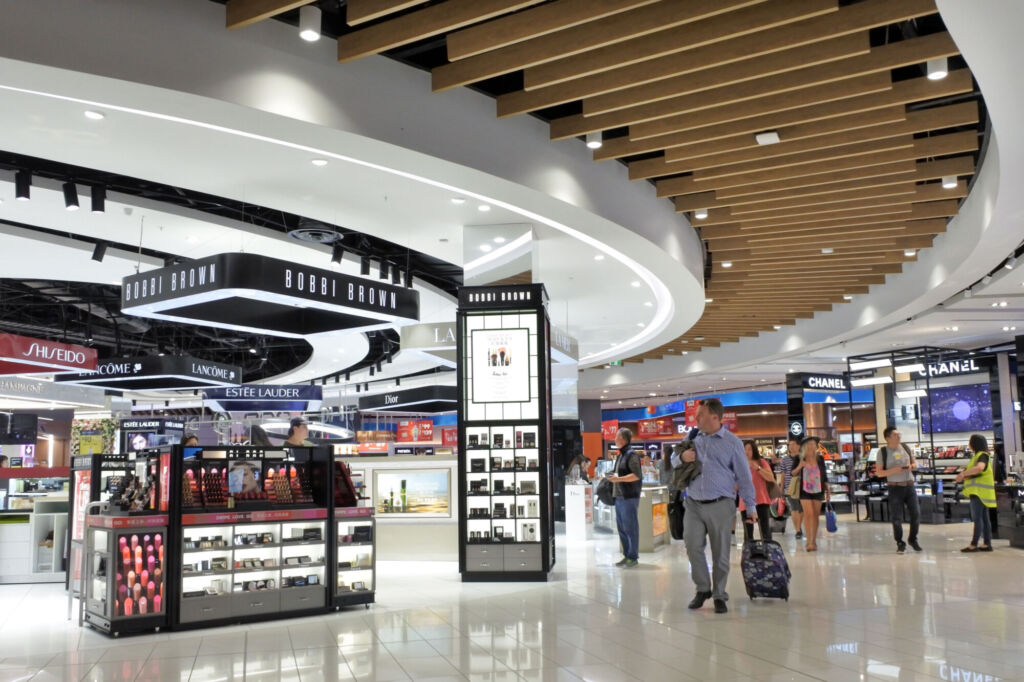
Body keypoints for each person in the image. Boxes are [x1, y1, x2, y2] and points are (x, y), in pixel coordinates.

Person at [676, 398, 756, 614]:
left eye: (700, 414)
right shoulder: (692, 437)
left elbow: (744, 477)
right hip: (693, 503)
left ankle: (719, 594)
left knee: (720, 552)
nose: (696, 418)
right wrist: (682, 456)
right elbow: (672, 461)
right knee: (692, 546)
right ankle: (703, 588)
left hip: (721, 504)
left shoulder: (732, 442)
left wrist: (751, 507)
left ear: (714, 417)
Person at [875, 426, 921, 554]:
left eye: (899, 434)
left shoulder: (905, 447)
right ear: (888, 438)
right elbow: (879, 473)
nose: (898, 436)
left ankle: (913, 539)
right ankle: (900, 542)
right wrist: (895, 470)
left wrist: (911, 466)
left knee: (916, 514)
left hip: (909, 485)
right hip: (895, 487)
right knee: (896, 517)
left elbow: (915, 464)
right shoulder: (883, 452)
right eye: (895, 435)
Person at [605, 428, 642, 568]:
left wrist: (619, 479)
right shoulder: (621, 455)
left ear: (624, 439)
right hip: (619, 497)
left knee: (630, 527)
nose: (615, 439)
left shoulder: (631, 455)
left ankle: (633, 557)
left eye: (617, 436)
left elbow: (636, 475)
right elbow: (619, 473)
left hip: (629, 497)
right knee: (622, 528)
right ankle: (627, 555)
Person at [957, 434, 996, 552]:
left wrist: (963, 474)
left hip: (979, 493)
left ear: (974, 444)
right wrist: (965, 475)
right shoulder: (980, 456)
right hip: (982, 493)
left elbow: (979, 468)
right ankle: (986, 544)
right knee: (984, 518)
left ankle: (974, 545)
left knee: (977, 519)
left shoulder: (982, 456)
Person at [791, 436, 829, 552]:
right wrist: (800, 466)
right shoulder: (799, 458)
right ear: (804, 446)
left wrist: (828, 489)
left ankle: (813, 540)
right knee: (808, 514)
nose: (812, 446)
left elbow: (824, 475)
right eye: (810, 444)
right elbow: (793, 473)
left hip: (818, 489)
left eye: (814, 444)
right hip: (804, 491)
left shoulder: (820, 459)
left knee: (815, 515)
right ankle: (809, 542)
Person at [740, 440, 774, 543]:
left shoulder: (761, 462)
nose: (747, 452)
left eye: (749, 449)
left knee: (765, 530)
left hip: (761, 500)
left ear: (754, 450)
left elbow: (770, 478)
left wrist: (758, 468)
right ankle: (749, 550)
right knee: (748, 532)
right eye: (745, 449)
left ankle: (767, 549)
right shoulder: (739, 463)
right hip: (745, 501)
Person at [777, 436, 803, 538]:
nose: (791, 447)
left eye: (793, 444)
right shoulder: (784, 460)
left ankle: (799, 526)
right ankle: (798, 530)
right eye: (789, 445)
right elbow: (783, 474)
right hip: (790, 487)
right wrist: (781, 489)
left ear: (799, 446)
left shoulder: (803, 457)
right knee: (794, 508)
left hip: (803, 487)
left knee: (802, 509)